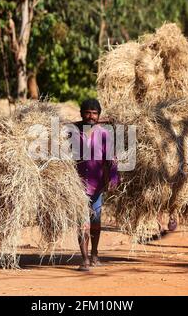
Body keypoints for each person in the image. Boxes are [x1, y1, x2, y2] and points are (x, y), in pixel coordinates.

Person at [69, 98, 119, 272]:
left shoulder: (104, 134)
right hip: (78, 186)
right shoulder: (73, 133)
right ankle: (85, 259)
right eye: (87, 113)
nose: (91, 116)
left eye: (95, 113)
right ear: (82, 114)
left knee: (95, 222)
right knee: (81, 222)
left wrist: (113, 178)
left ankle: (95, 253)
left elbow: (111, 160)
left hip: (97, 186)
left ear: (99, 115)